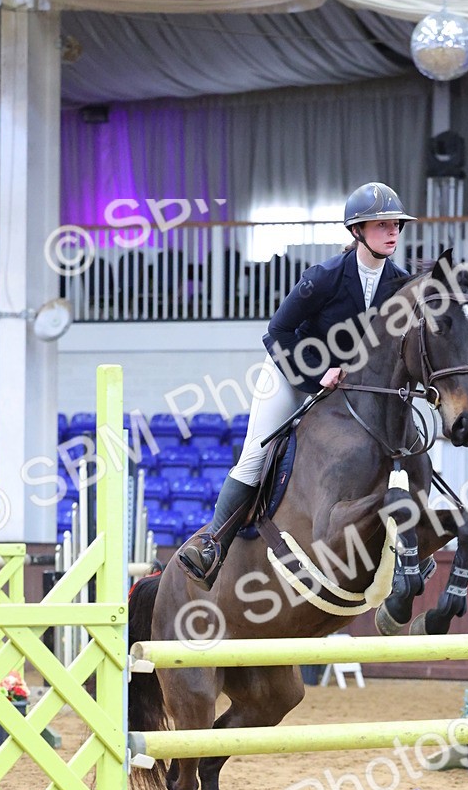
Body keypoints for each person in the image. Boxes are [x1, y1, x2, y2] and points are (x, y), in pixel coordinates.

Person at [177, 182, 416, 588]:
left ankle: (406, 549)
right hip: (293, 371)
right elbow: (277, 331)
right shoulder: (322, 278)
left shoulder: (400, 285)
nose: (392, 231)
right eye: (382, 225)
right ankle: (214, 543)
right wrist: (315, 374)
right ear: (357, 231)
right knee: (258, 450)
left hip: (351, 388)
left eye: (396, 225)